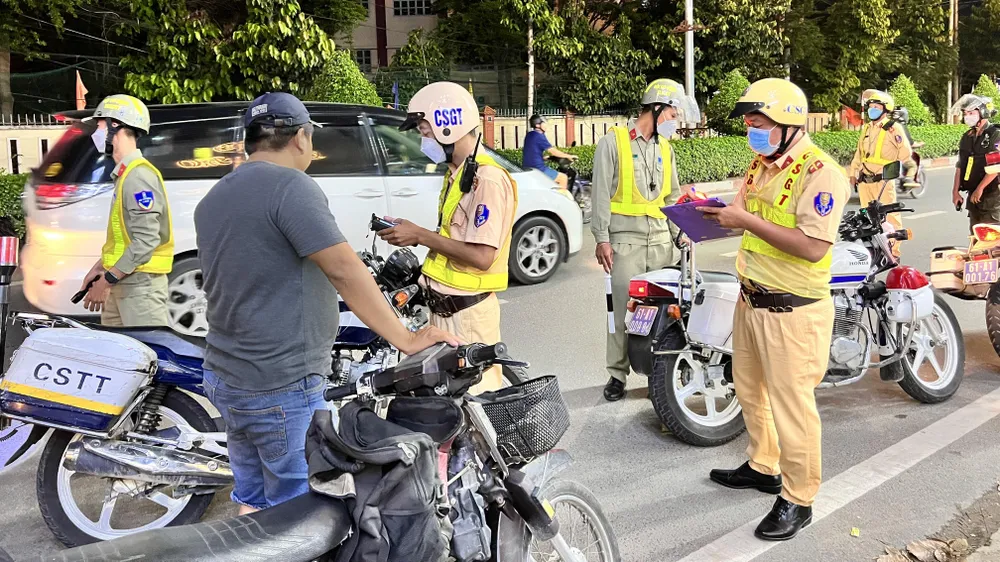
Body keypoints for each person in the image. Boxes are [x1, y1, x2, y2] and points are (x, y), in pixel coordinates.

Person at [194, 92, 458, 514]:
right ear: (301, 137)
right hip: (280, 384)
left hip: (228, 377)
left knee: (253, 500)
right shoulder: (290, 187)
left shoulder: (215, 197)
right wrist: (407, 339)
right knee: (298, 515)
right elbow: (345, 270)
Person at [698, 78, 849, 541]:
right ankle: (764, 465)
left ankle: (799, 498)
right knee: (749, 389)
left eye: (758, 122)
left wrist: (743, 219)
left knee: (792, 408)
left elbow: (813, 246)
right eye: (749, 122)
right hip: (751, 300)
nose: (751, 130)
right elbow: (740, 219)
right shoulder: (760, 165)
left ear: (788, 124)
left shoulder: (821, 173)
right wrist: (704, 214)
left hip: (792, 310)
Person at [377, 82, 516, 394]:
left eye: (425, 132)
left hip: (467, 318)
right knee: (442, 406)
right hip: (443, 314)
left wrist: (419, 235)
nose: (423, 141)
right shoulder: (458, 174)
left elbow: (482, 256)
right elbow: (452, 240)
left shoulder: (488, 180)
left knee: (473, 405)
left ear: (448, 127)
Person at [591, 78, 700, 402]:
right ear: (656, 108)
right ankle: (617, 375)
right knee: (622, 314)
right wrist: (601, 239)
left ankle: (660, 375)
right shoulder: (613, 143)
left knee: (667, 315)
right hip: (626, 243)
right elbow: (600, 194)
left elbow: (672, 196)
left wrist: (681, 232)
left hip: (663, 243)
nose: (674, 122)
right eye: (672, 115)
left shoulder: (666, 149)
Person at [79, 94, 173, 326]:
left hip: (141, 288)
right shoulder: (124, 174)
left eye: (100, 125)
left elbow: (146, 241)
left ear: (115, 126)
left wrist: (107, 280)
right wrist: (99, 268)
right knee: (116, 349)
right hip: (123, 281)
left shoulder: (138, 176)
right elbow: (124, 238)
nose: (96, 132)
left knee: (147, 348)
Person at [848, 90, 911, 257]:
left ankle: (894, 252)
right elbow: (859, 154)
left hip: (883, 181)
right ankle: (874, 250)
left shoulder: (893, 128)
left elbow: (905, 153)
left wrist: (891, 168)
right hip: (864, 181)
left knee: (889, 217)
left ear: (885, 109)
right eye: (871, 106)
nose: (872, 109)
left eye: (876, 107)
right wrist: (853, 173)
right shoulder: (867, 128)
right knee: (867, 218)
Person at [951, 94, 1000, 232]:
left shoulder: (995, 134)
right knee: (975, 236)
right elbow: (960, 166)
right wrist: (955, 192)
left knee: (992, 238)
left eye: (971, 113)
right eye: (965, 113)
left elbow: (996, 167)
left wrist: (980, 188)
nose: (967, 117)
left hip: (993, 197)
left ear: (983, 113)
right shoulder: (967, 137)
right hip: (973, 197)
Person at [522, 114, 577, 190]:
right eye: (544, 123)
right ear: (537, 125)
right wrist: (569, 156)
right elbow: (553, 151)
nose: (546, 125)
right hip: (538, 169)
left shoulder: (529, 135)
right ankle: (561, 198)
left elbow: (532, 152)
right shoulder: (539, 136)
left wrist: (546, 158)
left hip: (527, 168)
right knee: (563, 178)